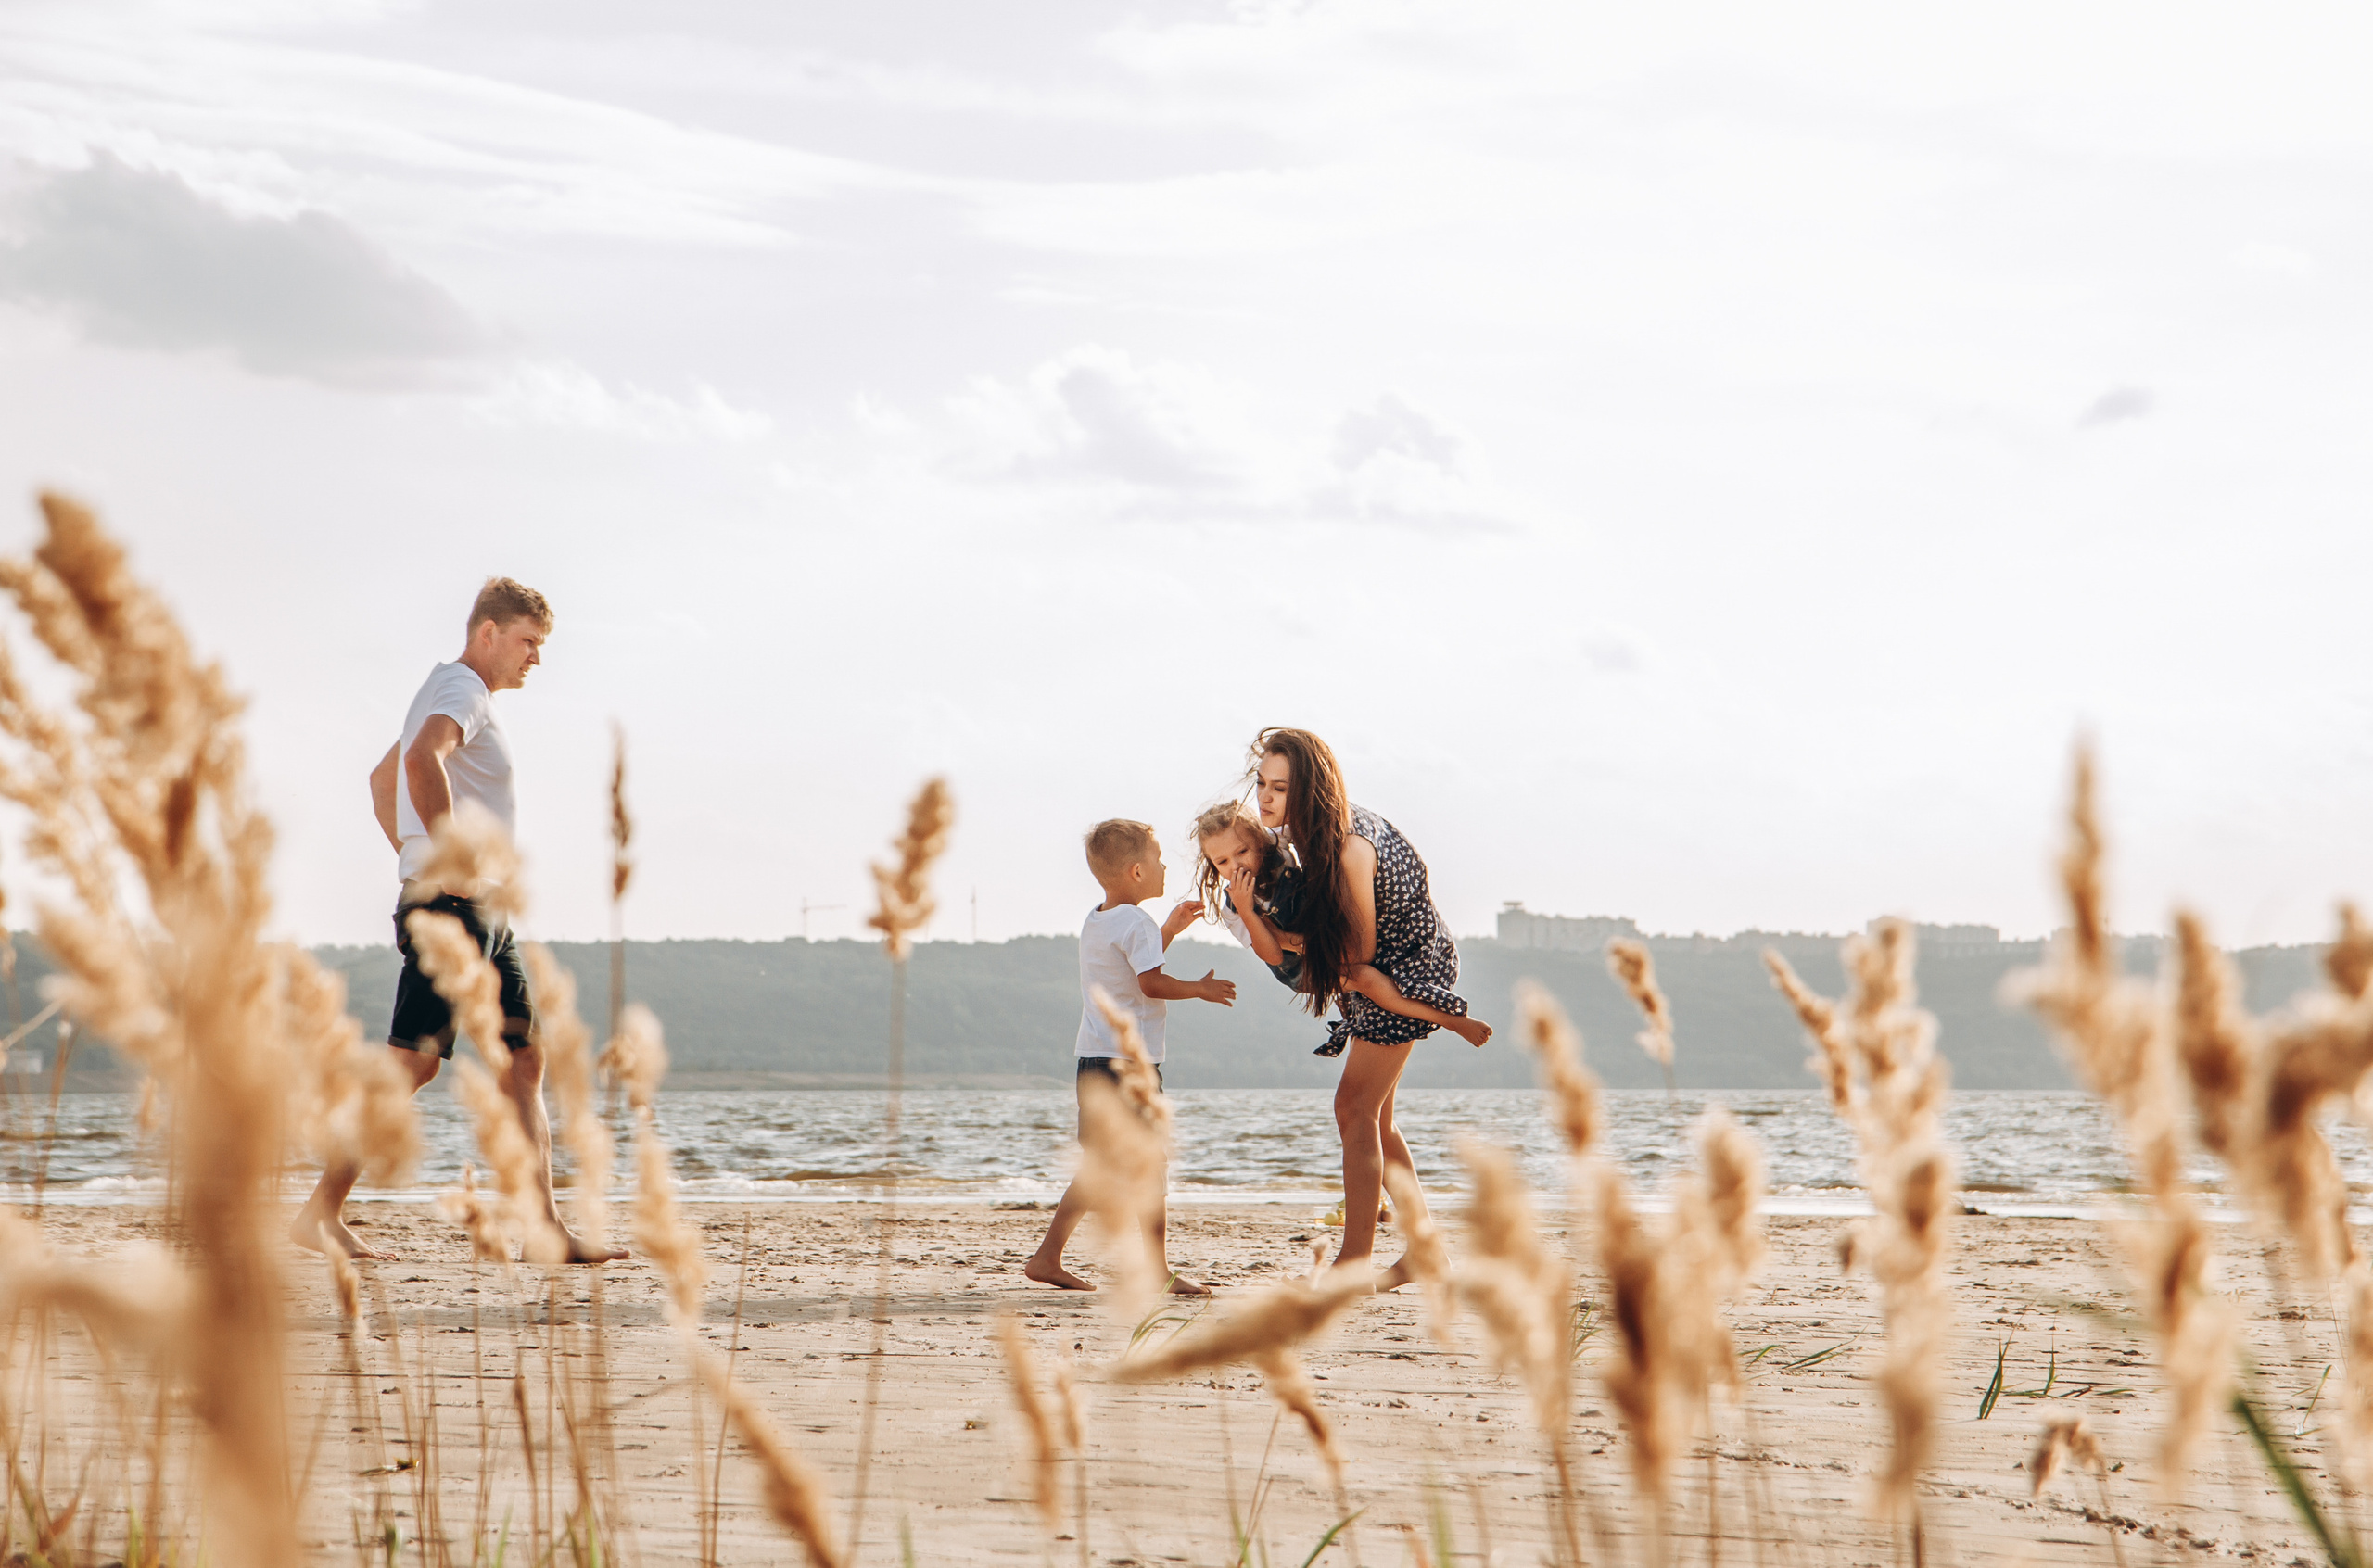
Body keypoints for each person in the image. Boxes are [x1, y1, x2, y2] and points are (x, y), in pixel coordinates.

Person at [291, 577, 626, 1265]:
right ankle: (320, 1213)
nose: (536, 659)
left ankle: (544, 1229)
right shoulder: (461, 692)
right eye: (529, 642)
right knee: (410, 1067)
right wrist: (442, 862)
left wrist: (419, 858)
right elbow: (417, 763)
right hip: (455, 907)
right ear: (488, 633)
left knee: (523, 1061)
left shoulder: (450, 693)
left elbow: (383, 780)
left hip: (480, 909)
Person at [1243, 727, 1480, 1288]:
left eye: (1282, 787)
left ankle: (1353, 1264)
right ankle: (1424, 1253)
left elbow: (1359, 951)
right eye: (1262, 784)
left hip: (1407, 971)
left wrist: (1282, 937)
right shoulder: (1314, 835)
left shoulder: (1348, 846)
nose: (1268, 798)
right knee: (1375, 1118)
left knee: (1353, 1109)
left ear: (1313, 790)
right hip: (1381, 972)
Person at [1024, 819, 1236, 1293]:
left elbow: (1132, 962)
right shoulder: (1136, 922)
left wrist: (1170, 930)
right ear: (1138, 872)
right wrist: (1198, 988)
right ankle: (1157, 1272)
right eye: (1159, 861)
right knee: (1150, 1165)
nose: (1165, 868)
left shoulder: (1098, 918)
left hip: (1092, 1062)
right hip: (1128, 1068)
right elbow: (1150, 982)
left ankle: (1046, 1257)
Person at [1189, 800, 1491, 1048]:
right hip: (1301, 969)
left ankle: (1357, 1011)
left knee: (1358, 965)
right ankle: (1452, 1020)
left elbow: (1310, 824)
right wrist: (1247, 911)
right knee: (1363, 977)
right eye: (1222, 862)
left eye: (1242, 851)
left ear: (1259, 840)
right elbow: (1273, 955)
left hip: (1319, 929)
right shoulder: (1234, 908)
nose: (1236, 865)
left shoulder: (1277, 845)